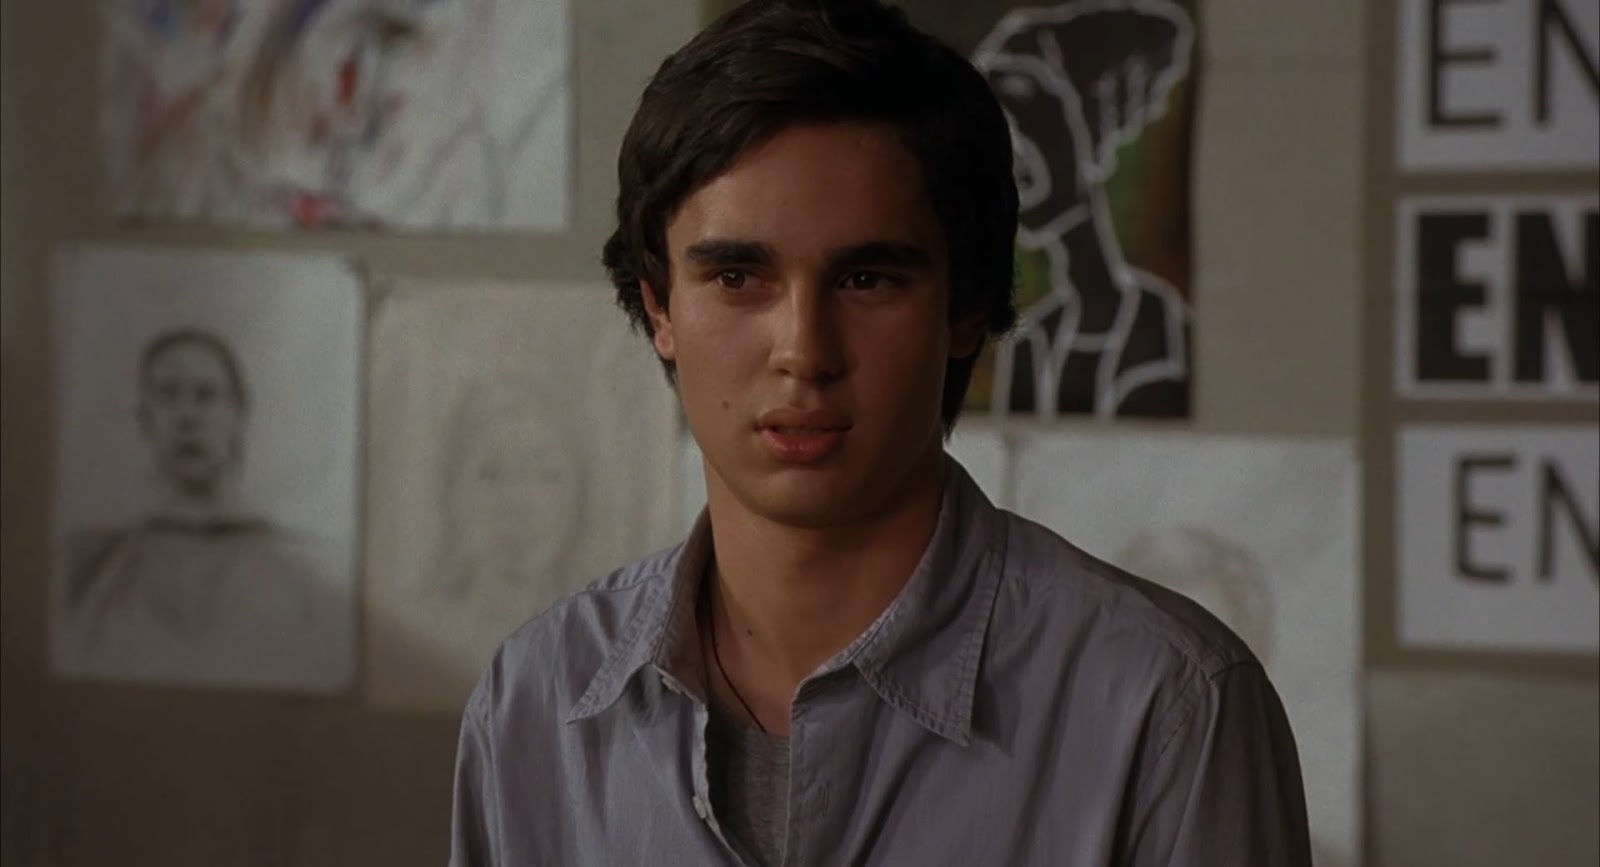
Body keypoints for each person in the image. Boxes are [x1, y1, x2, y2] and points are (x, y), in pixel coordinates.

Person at [450, 2, 1310, 864]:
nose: (803, 351)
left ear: (966, 307)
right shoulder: (536, 702)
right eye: (738, 276)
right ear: (660, 307)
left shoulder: (1167, 705)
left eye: (866, 279)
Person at [59, 327, 321, 669]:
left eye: (206, 395)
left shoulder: (304, 575)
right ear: (145, 419)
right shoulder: (92, 570)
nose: (187, 416)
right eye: (168, 396)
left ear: (238, 413)